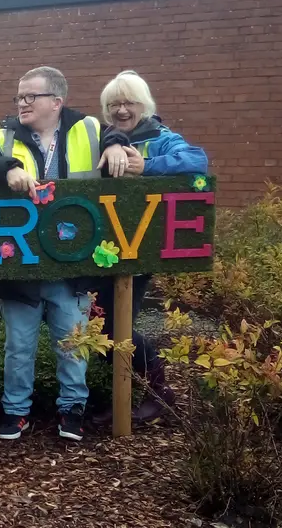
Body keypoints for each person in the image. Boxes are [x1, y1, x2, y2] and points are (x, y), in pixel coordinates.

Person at [0, 66, 130, 442]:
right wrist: (6, 168)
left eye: (31, 96)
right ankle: (15, 411)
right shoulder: (3, 135)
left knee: (73, 344)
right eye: (20, 97)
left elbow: (123, 130)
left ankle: (72, 408)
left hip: (71, 267)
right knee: (19, 347)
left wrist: (114, 143)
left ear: (56, 101)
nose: (22, 103)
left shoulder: (90, 129)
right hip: (20, 267)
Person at [92, 70, 208, 424]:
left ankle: (160, 393)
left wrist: (149, 166)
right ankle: (120, 398)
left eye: (129, 103)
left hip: (137, 251)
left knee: (116, 326)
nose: (121, 110)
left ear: (145, 105)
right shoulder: (99, 138)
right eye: (114, 104)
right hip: (97, 250)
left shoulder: (159, 138)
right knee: (95, 327)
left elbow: (197, 162)